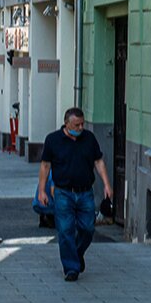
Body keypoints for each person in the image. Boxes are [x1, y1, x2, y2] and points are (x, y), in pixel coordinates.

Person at [38, 107, 113, 281]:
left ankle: (77, 254)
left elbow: (98, 161)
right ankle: (71, 268)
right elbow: (45, 166)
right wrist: (42, 190)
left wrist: (107, 184)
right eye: (76, 125)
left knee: (87, 228)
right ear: (66, 123)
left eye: (82, 124)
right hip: (63, 192)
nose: (80, 128)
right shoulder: (53, 140)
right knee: (65, 230)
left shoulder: (89, 139)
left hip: (85, 192)